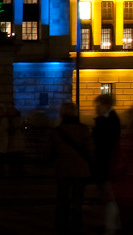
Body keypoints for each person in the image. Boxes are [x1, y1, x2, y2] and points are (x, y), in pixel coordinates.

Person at [50, 101, 92, 235]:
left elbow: (51, 152)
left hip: (63, 169)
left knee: (62, 198)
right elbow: (91, 150)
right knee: (78, 199)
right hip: (80, 169)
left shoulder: (57, 132)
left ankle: (61, 226)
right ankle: (76, 226)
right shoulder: (84, 129)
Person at [92, 93, 122, 232]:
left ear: (106, 105)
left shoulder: (110, 120)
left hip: (107, 163)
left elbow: (105, 142)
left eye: (98, 106)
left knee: (109, 196)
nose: (96, 109)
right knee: (106, 196)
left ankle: (112, 225)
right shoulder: (106, 119)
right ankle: (111, 223)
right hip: (104, 162)